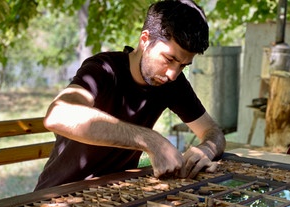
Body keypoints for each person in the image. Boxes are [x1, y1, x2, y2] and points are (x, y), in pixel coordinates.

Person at [34, 0, 226, 191]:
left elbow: (213, 131)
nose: (173, 74)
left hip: (116, 195)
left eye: (183, 65)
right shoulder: (104, 69)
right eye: (169, 59)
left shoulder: (173, 83)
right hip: (60, 194)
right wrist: (151, 140)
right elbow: (58, 116)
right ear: (145, 40)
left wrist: (206, 149)